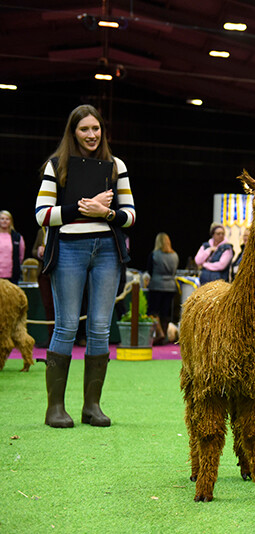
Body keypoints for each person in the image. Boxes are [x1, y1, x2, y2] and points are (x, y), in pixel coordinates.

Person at [35, 104, 136, 428]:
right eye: (84, 129)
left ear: (102, 131)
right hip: (68, 249)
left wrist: (105, 213)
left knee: (100, 328)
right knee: (65, 326)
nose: (91, 135)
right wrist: (84, 209)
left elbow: (130, 215)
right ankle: (55, 409)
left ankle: (92, 407)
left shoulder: (115, 165)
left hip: (107, 249)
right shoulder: (56, 165)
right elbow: (41, 214)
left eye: (96, 129)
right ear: (73, 132)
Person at [146, 232, 179, 345]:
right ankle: (164, 336)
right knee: (165, 313)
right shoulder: (175, 255)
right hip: (170, 287)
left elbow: (149, 270)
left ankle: (159, 333)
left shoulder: (154, 254)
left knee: (153, 311)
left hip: (156, 285)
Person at [0, 210, 25, 285]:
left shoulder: (17, 237)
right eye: (2, 219)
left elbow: (21, 256)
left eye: (7, 219)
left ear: (10, 221)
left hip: (12, 276)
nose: (4, 221)